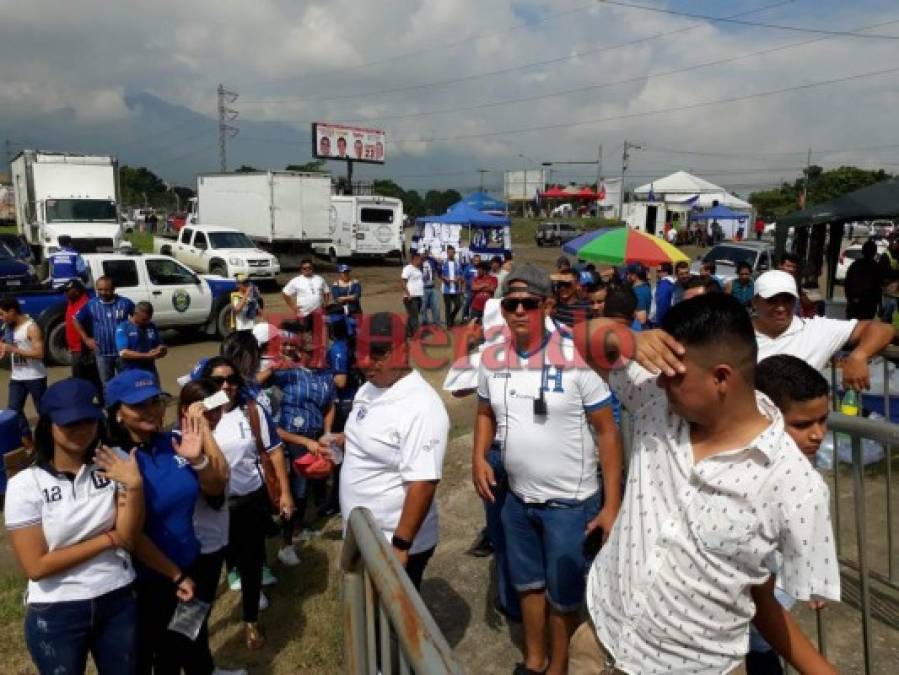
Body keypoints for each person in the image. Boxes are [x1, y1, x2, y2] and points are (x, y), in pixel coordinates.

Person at [570, 293, 839, 674]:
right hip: (600, 643)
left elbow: (762, 598)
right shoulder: (656, 403)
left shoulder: (793, 484)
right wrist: (627, 339)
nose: (662, 382)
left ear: (721, 378)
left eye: (674, 375)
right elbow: (582, 338)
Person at [473, 264, 622, 675]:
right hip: (517, 498)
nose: (519, 311)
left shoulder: (577, 357)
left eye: (529, 303)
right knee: (528, 586)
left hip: (570, 504)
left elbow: (608, 433)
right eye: (511, 303)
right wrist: (477, 458)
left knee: (564, 595)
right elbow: (484, 412)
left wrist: (611, 504)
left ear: (548, 305)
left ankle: (559, 665)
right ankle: (534, 660)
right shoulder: (492, 357)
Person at [5, 378, 144, 675]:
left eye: (89, 421)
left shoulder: (115, 461)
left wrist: (133, 487)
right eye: (70, 423)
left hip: (118, 596)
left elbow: (130, 538)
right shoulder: (25, 485)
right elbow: (37, 566)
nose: (82, 431)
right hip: (57, 610)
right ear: (48, 424)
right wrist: (108, 539)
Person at [104, 370, 229, 672]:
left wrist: (198, 460)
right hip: (148, 583)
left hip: (190, 567)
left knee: (189, 641)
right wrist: (175, 575)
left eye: (155, 402)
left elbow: (215, 488)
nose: (151, 411)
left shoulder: (173, 440)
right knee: (161, 656)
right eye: (139, 405)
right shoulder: (113, 460)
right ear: (117, 413)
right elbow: (131, 535)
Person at [335, 312, 450, 590]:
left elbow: (423, 483)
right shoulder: (369, 388)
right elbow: (367, 438)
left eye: (377, 353)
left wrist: (401, 546)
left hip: (392, 542)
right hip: (363, 536)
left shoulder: (421, 407)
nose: (365, 362)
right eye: (359, 352)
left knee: (392, 624)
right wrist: (340, 443)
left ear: (405, 349)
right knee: (368, 618)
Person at [745, 354, 831, 675]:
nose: (818, 434)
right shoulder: (744, 480)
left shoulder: (805, 472)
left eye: (823, 420)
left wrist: (812, 571)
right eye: (803, 424)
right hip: (743, 631)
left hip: (770, 627)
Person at [199, 357, 291, 650]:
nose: (226, 385)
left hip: (249, 502)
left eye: (232, 379)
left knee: (251, 563)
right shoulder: (196, 418)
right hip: (210, 509)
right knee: (207, 573)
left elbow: (275, 453)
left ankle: (250, 620)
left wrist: (285, 493)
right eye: (217, 380)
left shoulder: (252, 412)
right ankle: (197, 634)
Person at [176, 379, 246, 675]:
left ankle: (203, 667)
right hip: (197, 548)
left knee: (198, 616)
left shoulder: (204, 438)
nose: (216, 417)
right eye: (209, 412)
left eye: (219, 411)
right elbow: (221, 477)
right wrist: (202, 428)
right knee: (189, 619)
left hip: (213, 542)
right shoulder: (183, 444)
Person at [260, 335, 335, 566]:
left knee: (305, 489)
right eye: (308, 351)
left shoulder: (325, 376)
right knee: (292, 491)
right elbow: (256, 383)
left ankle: (297, 529)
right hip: (292, 439)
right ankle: (285, 545)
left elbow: (330, 405)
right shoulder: (287, 373)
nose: (312, 355)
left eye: (317, 351)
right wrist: (273, 366)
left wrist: (327, 432)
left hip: (315, 439)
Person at [753, 270, 893, 389]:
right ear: (754, 302)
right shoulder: (735, 334)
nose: (781, 307)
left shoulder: (816, 330)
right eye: (772, 300)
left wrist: (859, 355)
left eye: (787, 300)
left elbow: (882, 329)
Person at [0, 295, 47, 447]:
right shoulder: (10, 328)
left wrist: (13, 349)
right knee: (14, 411)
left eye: (2, 314)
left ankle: (49, 442)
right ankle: (28, 443)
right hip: (17, 377)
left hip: (35, 377)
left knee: (43, 412)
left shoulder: (31, 327)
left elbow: (39, 354)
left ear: (12, 311)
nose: (1, 318)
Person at [74, 276, 135, 386]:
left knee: (127, 382)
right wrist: (86, 339)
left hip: (123, 352)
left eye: (106, 290)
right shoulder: (92, 304)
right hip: (102, 353)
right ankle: (111, 403)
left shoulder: (125, 303)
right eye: (100, 289)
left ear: (113, 289)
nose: (102, 292)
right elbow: (76, 319)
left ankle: (127, 403)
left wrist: (133, 335)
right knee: (107, 385)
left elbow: (137, 318)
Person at [115, 302, 166, 378]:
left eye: (149, 319)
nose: (147, 322)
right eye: (144, 319)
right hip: (130, 371)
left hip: (150, 370)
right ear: (135, 314)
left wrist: (160, 350)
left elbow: (160, 345)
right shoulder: (123, 327)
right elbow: (123, 353)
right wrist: (147, 355)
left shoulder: (151, 326)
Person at [282, 260, 328, 329]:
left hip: (318, 313)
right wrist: (293, 307)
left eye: (309, 267)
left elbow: (326, 291)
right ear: (301, 269)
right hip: (304, 313)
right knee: (305, 335)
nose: (307, 269)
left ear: (312, 268)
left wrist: (326, 304)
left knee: (318, 335)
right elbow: (285, 293)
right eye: (304, 268)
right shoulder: (296, 280)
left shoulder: (319, 279)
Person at [845, 239, 883, 320]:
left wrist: (850, 300)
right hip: (868, 305)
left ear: (863, 251)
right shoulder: (876, 267)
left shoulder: (855, 265)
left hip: (857, 303)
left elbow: (847, 284)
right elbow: (879, 288)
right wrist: (880, 305)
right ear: (874, 253)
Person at [400, 252, 424, 337]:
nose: (421, 261)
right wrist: (408, 294)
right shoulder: (408, 268)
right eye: (420, 259)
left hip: (418, 296)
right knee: (414, 316)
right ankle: (416, 334)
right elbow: (402, 282)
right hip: (410, 297)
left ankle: (406, 333)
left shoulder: (418, 269)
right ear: (415, 259)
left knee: (412, 316)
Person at [438, 245, 462, 328]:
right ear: (447, 253)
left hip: (455, 289)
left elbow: (460, 274)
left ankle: (451, 317)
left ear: (454, 253)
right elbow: (439, 274)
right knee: (448, 307)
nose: (451, 254)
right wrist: (445, 278)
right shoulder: (443, 263)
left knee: (458, 305)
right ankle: (448, 324)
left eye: (452, 252)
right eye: (449, 252)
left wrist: (457, 278)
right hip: (446, 289)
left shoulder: (458, 263)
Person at [420, 252, 442, 328]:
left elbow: (439, 267)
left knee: (436, 306)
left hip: (432, 287)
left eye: (425, 253)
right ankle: (424, 323)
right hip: (422, 288)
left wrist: (437, 261)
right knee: (423, 307)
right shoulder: (418, 262)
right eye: (422, 253)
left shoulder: (431, 261)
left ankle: (437, 323)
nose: (424, 254)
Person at [461, 253, 482, 321]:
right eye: (475, 260)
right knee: (466, 305)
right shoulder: (468, 267)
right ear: (473, 260)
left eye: (478, 261)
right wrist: (463, 288)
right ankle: (464, 318)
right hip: (469, 290)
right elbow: (463, 278)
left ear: (480, 261)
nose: (476, 262)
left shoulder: (481, 269)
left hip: (479, 291)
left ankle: (476, 320)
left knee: (476, 307)